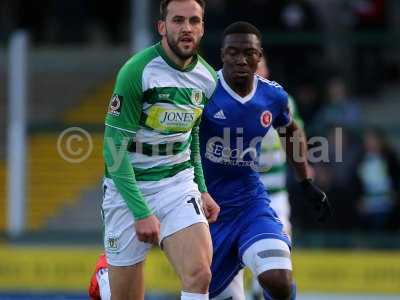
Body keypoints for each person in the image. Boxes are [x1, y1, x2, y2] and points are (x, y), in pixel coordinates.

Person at [199, 22, 332, 300]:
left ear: (259, 56)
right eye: (233, 52)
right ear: (222, 54)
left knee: (278, 279)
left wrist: (306, 182)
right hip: (208, 212)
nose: (241, 59)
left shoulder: (272, 96)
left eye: (249, 52)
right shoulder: (203, 92)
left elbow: (291, 131)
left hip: (251, 203)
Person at [102, 1, 220, 299]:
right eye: (178, 20)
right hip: (129, 188)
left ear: (202, 28)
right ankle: (105, 283)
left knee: (200, 273)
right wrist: (141, 212)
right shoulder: (137, 71)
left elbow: (191, 135)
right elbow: (112, 149)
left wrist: (202, 189)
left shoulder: (207, 78)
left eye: (194, 21)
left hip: (176, 184)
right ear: (162, 27)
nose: (186, 28)